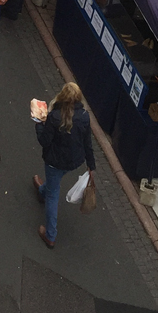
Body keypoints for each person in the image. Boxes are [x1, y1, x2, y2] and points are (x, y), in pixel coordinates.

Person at [33, 82, 95, 249]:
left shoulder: (55, 117)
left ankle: (50, 234)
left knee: (53, 195)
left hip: (54, 161)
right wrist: (91, 165)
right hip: (73, 161)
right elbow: (87, 143)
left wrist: (38, 123)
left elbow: (44, 141)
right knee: (54, 183)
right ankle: (42, 191)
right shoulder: (84, 116)